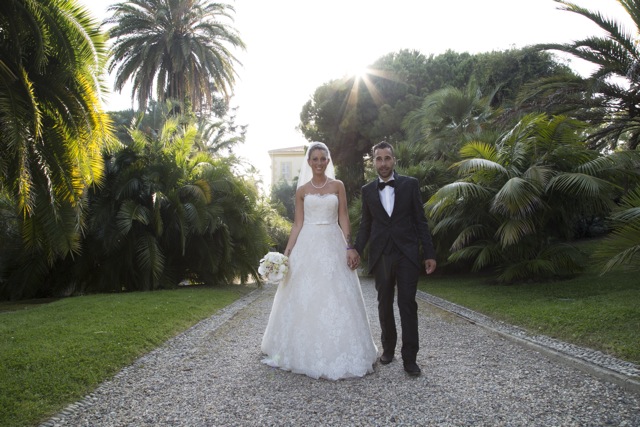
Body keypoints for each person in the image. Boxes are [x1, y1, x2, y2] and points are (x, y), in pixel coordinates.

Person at [261, 142, 378, 380]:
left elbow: (343, 217)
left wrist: (349, 246)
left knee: (338, 293)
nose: (319, 163)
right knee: (305, 293)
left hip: (333, 242)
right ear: (309, 162)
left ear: (328, 161)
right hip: (308, 243)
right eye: (314, 159)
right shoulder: (302, 190)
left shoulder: (338, 186)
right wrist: (286, 254)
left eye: (322, 159)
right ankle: (298, 350)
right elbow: (297, 224)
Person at [350, 141, 437, 377]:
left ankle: (410, 357)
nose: (383, 163)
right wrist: (355, 249)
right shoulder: (368, 190)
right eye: (378, 159)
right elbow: (365, 225)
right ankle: (388, 349)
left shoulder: (410, 184)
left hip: (407, 253)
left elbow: (420, 221)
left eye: (387, 158)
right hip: (382, 254)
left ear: (394, 160)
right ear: (373, 162)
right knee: (384, 302)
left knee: (407, 303)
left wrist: (429, 253)